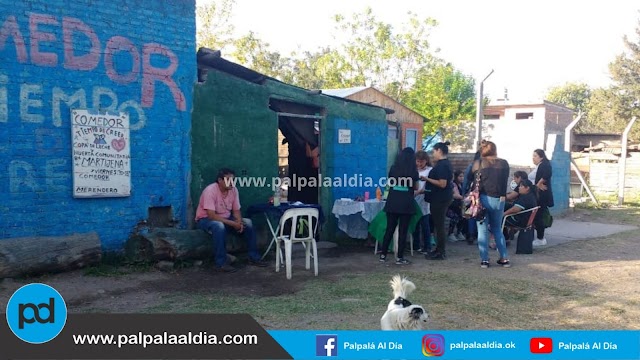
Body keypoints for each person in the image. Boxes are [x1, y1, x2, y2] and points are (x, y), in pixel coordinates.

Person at [195, 168, 268, 273]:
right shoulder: (210, 191)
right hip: (205, 220)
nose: (232, 183)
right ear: (220, 180)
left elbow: (236, 210)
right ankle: (220, 263)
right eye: (228, 180)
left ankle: (254, 257)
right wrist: (233, 223)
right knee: (218, 226)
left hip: (227, 218)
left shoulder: (233, 190)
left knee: (248, 223)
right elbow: (211, 216)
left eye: (233, 180)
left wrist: (238, 221)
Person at [472, 140, 511, 268]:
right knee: (497, 229)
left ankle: (485, 260)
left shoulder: (479, 163)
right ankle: (504, 258)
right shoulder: (504, 163)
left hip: (483, 199)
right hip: (500, 200)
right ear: (495, 150)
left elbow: (470, 179)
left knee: (482, 231)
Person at [379, 147, 420, 265]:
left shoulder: (393, 168)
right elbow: (416, 187)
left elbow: (389, 183)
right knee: (403, 231)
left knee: (389, 229)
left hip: (392, 202)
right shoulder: (413, 170)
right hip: (406, 203)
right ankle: (399, 257)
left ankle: (383, 255)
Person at [424, 141, 454, 260]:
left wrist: (427, 179)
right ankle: (438, 249)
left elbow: (442, 183)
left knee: (439, 225)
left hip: (440, 199)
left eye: (434, 151)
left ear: (439, 151)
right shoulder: (445, 164)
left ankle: (440, 251)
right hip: (440, 198)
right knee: (438, 224)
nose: (433, 154)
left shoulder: (442, 166)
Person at [529, 149, 554, 247]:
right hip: (536, 194)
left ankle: (541, 238)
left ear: (541, 157)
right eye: (533, 155)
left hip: (541, 196)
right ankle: (537, 236)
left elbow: (547, 174)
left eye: (535, 156)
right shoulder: (538, 166)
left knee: (538, 215)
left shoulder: (545, 164)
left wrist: (539, 184)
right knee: (536, 216)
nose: (533, 158)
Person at [412, 150, 433, 254]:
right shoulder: (412, 170)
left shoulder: (430, 171)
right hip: (413, 199)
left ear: (426, 161)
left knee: (425, 224)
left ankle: (427, 246)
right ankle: (416, 245)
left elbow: (428, 185)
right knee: (415, 223)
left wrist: (419, 191)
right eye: (418, 161)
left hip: (424, 199)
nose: (419, 164)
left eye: (422, 161)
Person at [463, 151, 481, 244]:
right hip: (483, 193)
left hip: (473, 193)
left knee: (471, 214)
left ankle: (470, 235)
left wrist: (464, 194)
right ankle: (479, 235)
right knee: (482, 215)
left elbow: (466, 181)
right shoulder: (488, 167)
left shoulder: (472, 166)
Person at [447, 170, 466, 242]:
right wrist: (463, 197)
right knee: (454, 217)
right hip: (451, 206)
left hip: (460, 206)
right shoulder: (453, 184)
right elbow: (455, 195)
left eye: (463, 176)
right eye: (460, 176)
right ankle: (450, 233)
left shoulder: (463, 185)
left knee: (464, 216)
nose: (462, 178)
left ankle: (459, 232)